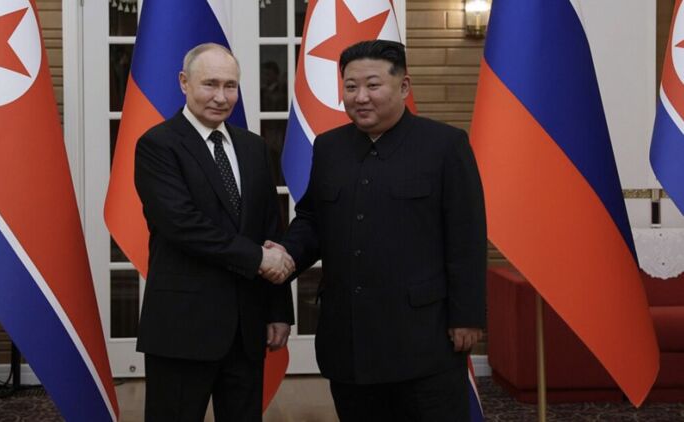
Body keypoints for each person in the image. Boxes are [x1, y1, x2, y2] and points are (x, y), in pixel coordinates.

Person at [273, 40, 487, 421]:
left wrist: (467, 316)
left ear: (403, 86)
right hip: (350, 341)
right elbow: (312, 220)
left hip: (424, 340)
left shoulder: (444, 146)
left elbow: (466, 237)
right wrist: (285, 255)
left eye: (373, 85)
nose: (360, 97)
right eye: (350, 86)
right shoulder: (329, 147)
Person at [134, 43, 295, 422]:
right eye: (210, 84)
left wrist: (279, 310)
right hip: (182, 327)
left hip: (246, 328)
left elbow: (270, 229)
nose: (221, 97)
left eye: (230, 86)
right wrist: (258, 259)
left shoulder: (254, 147)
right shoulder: (157, 145)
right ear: (184, 82)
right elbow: (183, 225)